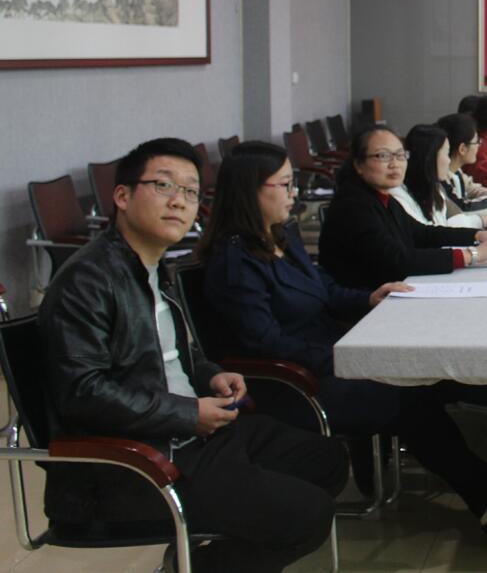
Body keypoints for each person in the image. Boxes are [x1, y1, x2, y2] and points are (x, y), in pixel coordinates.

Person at [200, 142, 487, 552]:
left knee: (419, 385)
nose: (294, 194)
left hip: (331, 356)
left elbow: (323, 289)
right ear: (250, 191)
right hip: (296, 383)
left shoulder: (279, 236)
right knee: (405, 395)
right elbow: (267, 344)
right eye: (285, 185)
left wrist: (368, 297)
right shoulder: (235, 264)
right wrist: (346, 356)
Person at [38, 138, 347, 572]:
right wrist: (188, 413)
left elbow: (171, 354)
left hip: (190, 435)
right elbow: (84, 393)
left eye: (190, 191)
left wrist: (210, 375)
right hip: (140, 463)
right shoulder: (87, 281)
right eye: (164, 185)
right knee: (308, 515)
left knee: (328, 460)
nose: (179, 202)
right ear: (122, 196)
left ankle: (217, 551)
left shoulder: (153, 266)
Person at [319, 125, 487, 290]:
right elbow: (397, 260)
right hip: (365, 306)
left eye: (400, 155)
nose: (395, 164)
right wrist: (472, 255)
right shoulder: (353, 205)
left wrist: (478, 235)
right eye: (383, 156)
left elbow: (422, 233)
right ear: (358, 165)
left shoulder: (381, 197)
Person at [391, 123, 487, 229]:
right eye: (446, 153)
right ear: (430, 157)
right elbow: (428, 234)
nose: (449, 160)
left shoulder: (435, 189)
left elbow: (454, 218)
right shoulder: (399, 197)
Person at [436, 112, 487, 212]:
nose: (479, 146)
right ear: (462, 149)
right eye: (476, 141)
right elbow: (462, 209)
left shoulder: (456, 171)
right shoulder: (442, 180)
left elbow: (471, 189)